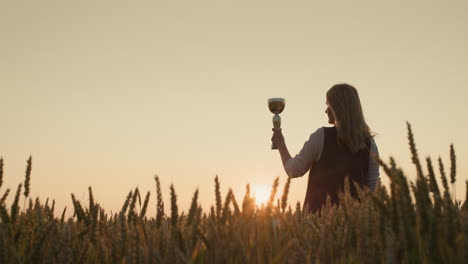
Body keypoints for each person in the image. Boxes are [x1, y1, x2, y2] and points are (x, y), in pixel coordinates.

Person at [271, 83, 380, 213]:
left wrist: (280, 143)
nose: (326, 110)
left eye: (328, 105)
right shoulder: (370, 144)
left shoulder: (321, 137)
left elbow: (293, 170)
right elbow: (374, 190)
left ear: (338, 108)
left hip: (318, 226)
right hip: (355, 228)